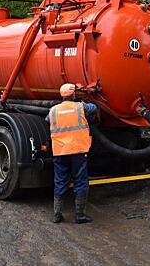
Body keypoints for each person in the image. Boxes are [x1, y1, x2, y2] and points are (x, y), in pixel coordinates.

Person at [47, 83, 97, 224]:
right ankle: (80, 215)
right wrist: (84, 99)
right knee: (80, 182)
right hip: (78, 150)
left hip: (60, 151)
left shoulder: (53, 111)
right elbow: (94, 108)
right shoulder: (81, 107)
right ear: (73, 95)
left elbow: (47, 120)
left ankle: (57, 214)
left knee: (60, 181)